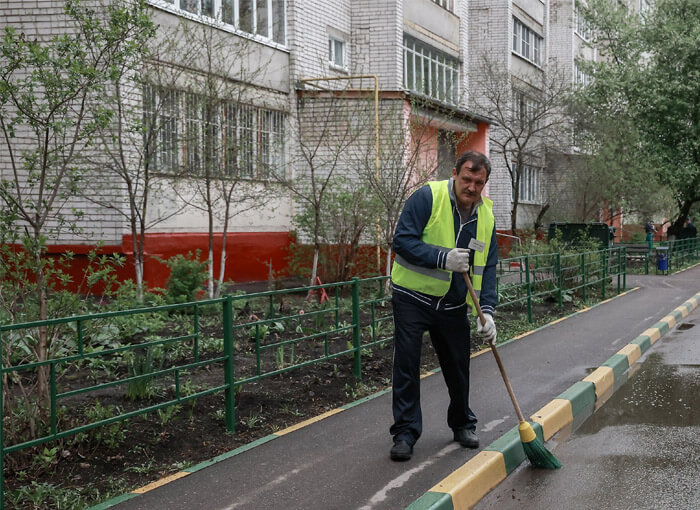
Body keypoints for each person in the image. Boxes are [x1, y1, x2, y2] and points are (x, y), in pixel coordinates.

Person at [389, 150, 498, 461]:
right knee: (407, 366)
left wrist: (487, 311)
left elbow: (487, 268)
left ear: (484, 182)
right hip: (412, 297)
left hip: (452, 305)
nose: (471, 187)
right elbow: (403, 241)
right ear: (455, 173)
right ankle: (406, 433)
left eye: (479, 182)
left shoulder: (486, 217)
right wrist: (442, 257)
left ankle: (463, 423)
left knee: (458, 366)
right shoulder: (427, 197)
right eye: (467, 179)